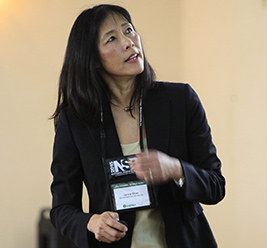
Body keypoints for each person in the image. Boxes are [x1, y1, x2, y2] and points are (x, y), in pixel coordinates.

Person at [50, 4, 226, 248]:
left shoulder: (180, 100)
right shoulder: (76, 121)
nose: (128, 42)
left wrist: (176, 169)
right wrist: (91, 222)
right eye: (112, 38)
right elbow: (61, 209)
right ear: (92, 59)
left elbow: (216, 185)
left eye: (129, 30)